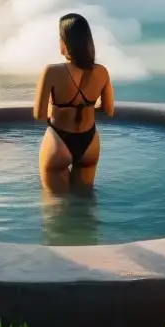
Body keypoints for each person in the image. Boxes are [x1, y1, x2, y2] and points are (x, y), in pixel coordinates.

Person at [33, 13, 115, 193]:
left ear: (65, 41)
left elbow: (39, 114)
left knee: (55, 206)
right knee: (86, 201)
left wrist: (58, 109)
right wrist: (85, 108)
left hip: (58, 141)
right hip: (90, 141)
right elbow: (108, 110)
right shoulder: (102, 72)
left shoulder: (51, 72)